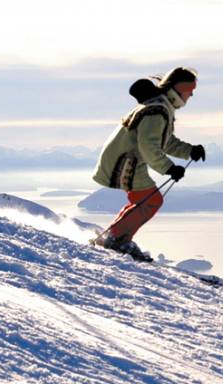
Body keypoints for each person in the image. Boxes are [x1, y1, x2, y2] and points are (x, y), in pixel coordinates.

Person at [91, 66, 206, 261]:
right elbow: (149, 146)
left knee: (144, 200)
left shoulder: (159, 106)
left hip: (124, 158)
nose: (191, 95)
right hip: (126, 162)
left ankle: (115, 237)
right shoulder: (158, 110)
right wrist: (169, 168)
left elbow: (165, 141)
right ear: (180, 89)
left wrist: (189, 151)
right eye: (190, 90)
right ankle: (116, 240)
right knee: (151, 200)